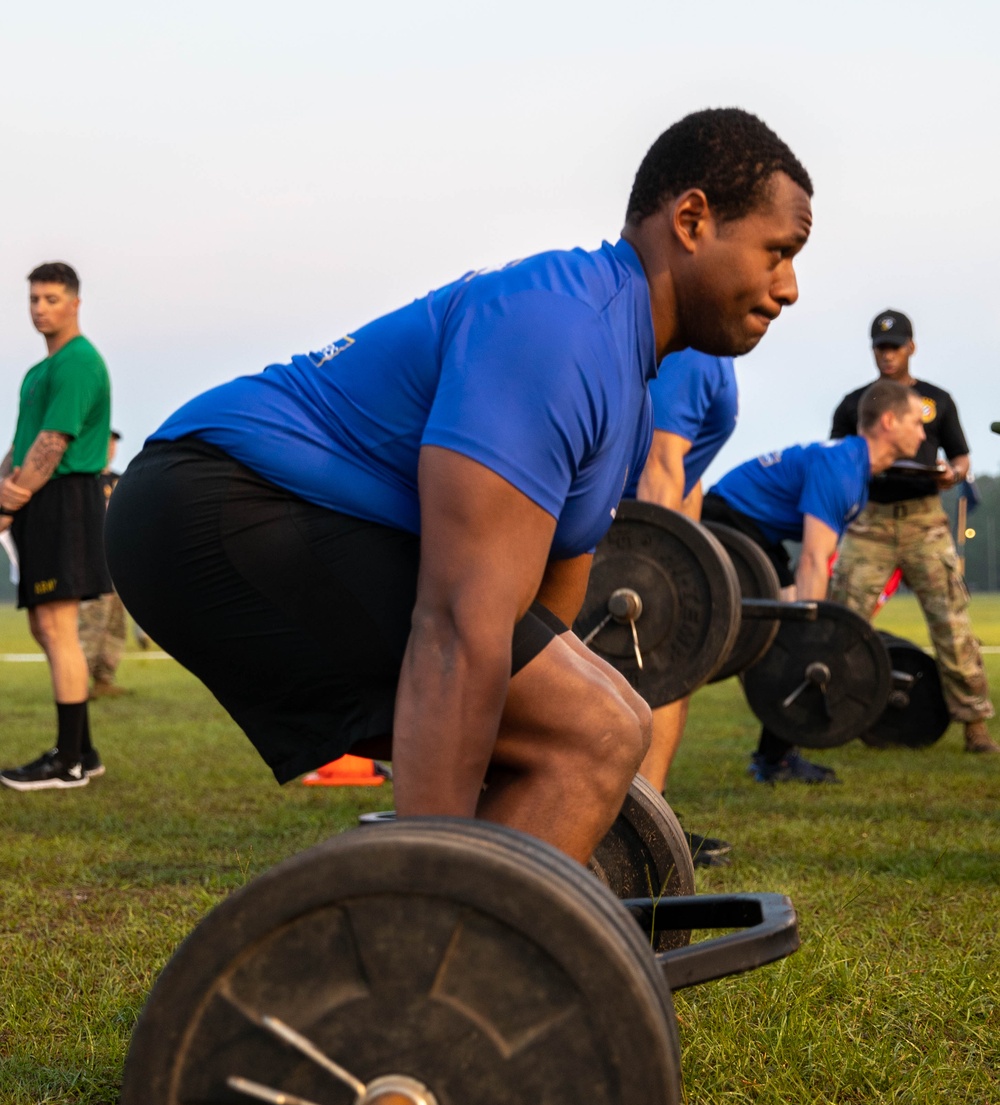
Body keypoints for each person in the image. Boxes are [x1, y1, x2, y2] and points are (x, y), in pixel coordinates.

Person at [106, 109, 813, 864]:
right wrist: (437, 869)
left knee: (604, 723)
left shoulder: (628, 384)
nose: (791, 286)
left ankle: (459, 951)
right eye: (778, 252)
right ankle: (439, 949)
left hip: (256, 512)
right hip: (218, 502)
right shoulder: (561, 326)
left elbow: (544, 624)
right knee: (596, 730)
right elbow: (457, 626)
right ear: (693, 220)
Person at [702, 379, 926, 782]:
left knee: (788, 639)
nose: (924, 432)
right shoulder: (842, 468)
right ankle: (775, 759)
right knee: (794, 641)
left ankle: (775, 758)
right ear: (889, 421)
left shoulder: (854, 469)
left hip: (755, 532)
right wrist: (815, 638)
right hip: (727, 521)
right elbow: (813, 560)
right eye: (916, 421)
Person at [829, 311, 998, 754]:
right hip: (871, 522)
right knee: (841, 622)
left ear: (912, 348)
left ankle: (975, 725)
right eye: (880, 347)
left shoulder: (936, 400)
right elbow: (836, 458)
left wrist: (952, 474)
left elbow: (962, 457)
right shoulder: (855, 403)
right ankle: (827, 719)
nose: (887, 355)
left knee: (951, 623)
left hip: (925, 521)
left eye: (896, 346)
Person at [0, 263, 111, 790]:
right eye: (34, 299)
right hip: (38, 501)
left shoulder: (78, 363)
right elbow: (24, 443)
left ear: (74, 303)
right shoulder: (40, 371)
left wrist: (10, 501)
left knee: (57, 626)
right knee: (43, 627)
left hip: (64, 499)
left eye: (51, 298)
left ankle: (67, 764)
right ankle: (82, 751)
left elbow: (53, 444)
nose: (40, 308)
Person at [628, 350, 739, 864]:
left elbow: (688, 473)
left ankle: (650, 822)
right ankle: (638, 833)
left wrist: (693, 561)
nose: (786, 291)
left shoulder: (716, 357)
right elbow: (661, 462)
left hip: (635, 529)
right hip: (616, 537)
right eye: (773, 262)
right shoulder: (697, 355)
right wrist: (657, 577)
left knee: (677, 671)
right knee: (666, 666)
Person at [77, 429, 131, 700]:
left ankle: (104, 678)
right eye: (105, 441)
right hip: (91, 563)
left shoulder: (123, 481)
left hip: (117, 565)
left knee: (114, 625)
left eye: (113, 443)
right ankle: (76, 681)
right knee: (90, 624)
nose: (110, 447)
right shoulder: (86, 481)